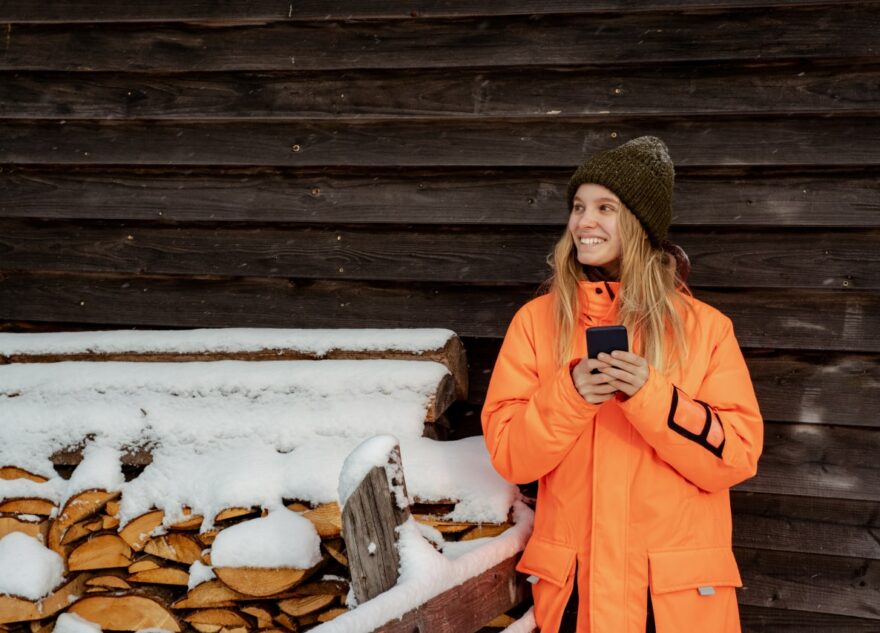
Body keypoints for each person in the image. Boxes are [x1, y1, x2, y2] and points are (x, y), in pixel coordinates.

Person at [481, 136, 763, 633]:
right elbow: (510, 455)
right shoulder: (535, 322)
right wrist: (569, 397)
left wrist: (651, 397)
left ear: (639, 222)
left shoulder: (705, 329)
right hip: (576, 597)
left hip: (671, 604)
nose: (584, 222)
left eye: (605, 207)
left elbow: (736, 457)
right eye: (578, 206)